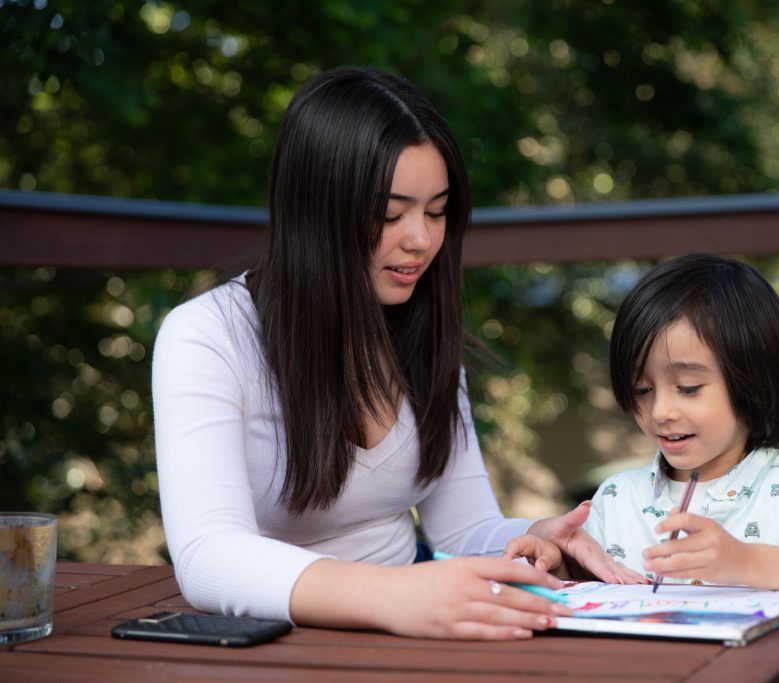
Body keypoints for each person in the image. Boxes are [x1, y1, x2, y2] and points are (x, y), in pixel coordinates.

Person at [152, 65, 638, 642]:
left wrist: (539, 534)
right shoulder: (208, 336)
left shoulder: (421, 331)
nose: (422, 240)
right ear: (318, 213)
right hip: (279, 645)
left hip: (413, 635)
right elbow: (209, 556)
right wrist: (396, 594)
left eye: (437, 212)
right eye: (390, 215)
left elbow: (464, 528)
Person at [505, 253, 779, 606]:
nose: (660, 410)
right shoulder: (617, 497)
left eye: (689, 388)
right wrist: (552, 559)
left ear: (753, 378)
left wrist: (744, 561)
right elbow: (588, 588)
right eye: (642, 389)